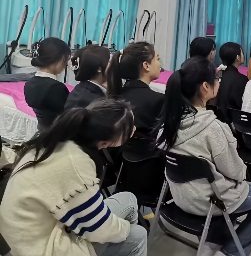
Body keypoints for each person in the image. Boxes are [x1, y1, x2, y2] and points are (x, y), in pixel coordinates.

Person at [155, 57, 251, 256]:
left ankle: (213, 241)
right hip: (211, 201)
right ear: (205, 87)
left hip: (181, 197)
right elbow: (237, 173)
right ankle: (229, 252)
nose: (219, 82)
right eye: (216, 78)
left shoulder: (167, 124)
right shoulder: (213, 128)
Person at [0, 99, 147, 256]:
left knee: (129, 199)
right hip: (39, 247)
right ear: (107, 142)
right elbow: (97, 228)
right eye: (130, 128)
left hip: (21, 232)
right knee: (138, 235)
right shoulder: (76, 165)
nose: (134, 130)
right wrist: (125, 229)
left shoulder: (55, 140)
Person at [107, 42, 163, 143]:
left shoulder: (114, 96)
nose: (160, 64)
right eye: (157, 59)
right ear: (146, 65)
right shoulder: (159, 100)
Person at [24, 37, 71, 130]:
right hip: (58, 133)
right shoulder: (57, 88)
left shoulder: (29, 84)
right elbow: (68, 116)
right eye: (66, 60)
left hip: (41, 130)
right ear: (62, 59)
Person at [65, 45, 110, 110]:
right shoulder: (92, 100)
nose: (113, 65)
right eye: (109, 62)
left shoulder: (83, 89)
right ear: (99, 68)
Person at [214, 42, 248, 120]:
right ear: (237, 57)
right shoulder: (241, 79)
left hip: (220, 118)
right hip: (234, 121)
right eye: (242, 52)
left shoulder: (222, 76)